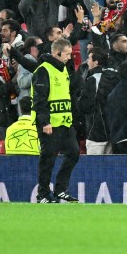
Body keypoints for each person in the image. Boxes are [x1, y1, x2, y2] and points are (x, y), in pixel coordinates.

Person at [32, 37, 80, 201]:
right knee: (48, 160)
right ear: (57, 53)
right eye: (67, 54)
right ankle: (43, 194)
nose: (69, 57)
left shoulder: (63, 69)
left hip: (65, 123)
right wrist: (45, 122)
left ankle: (60, 189)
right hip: (50, 124)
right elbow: (40, 99)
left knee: (74, 153)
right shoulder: (43, 70)